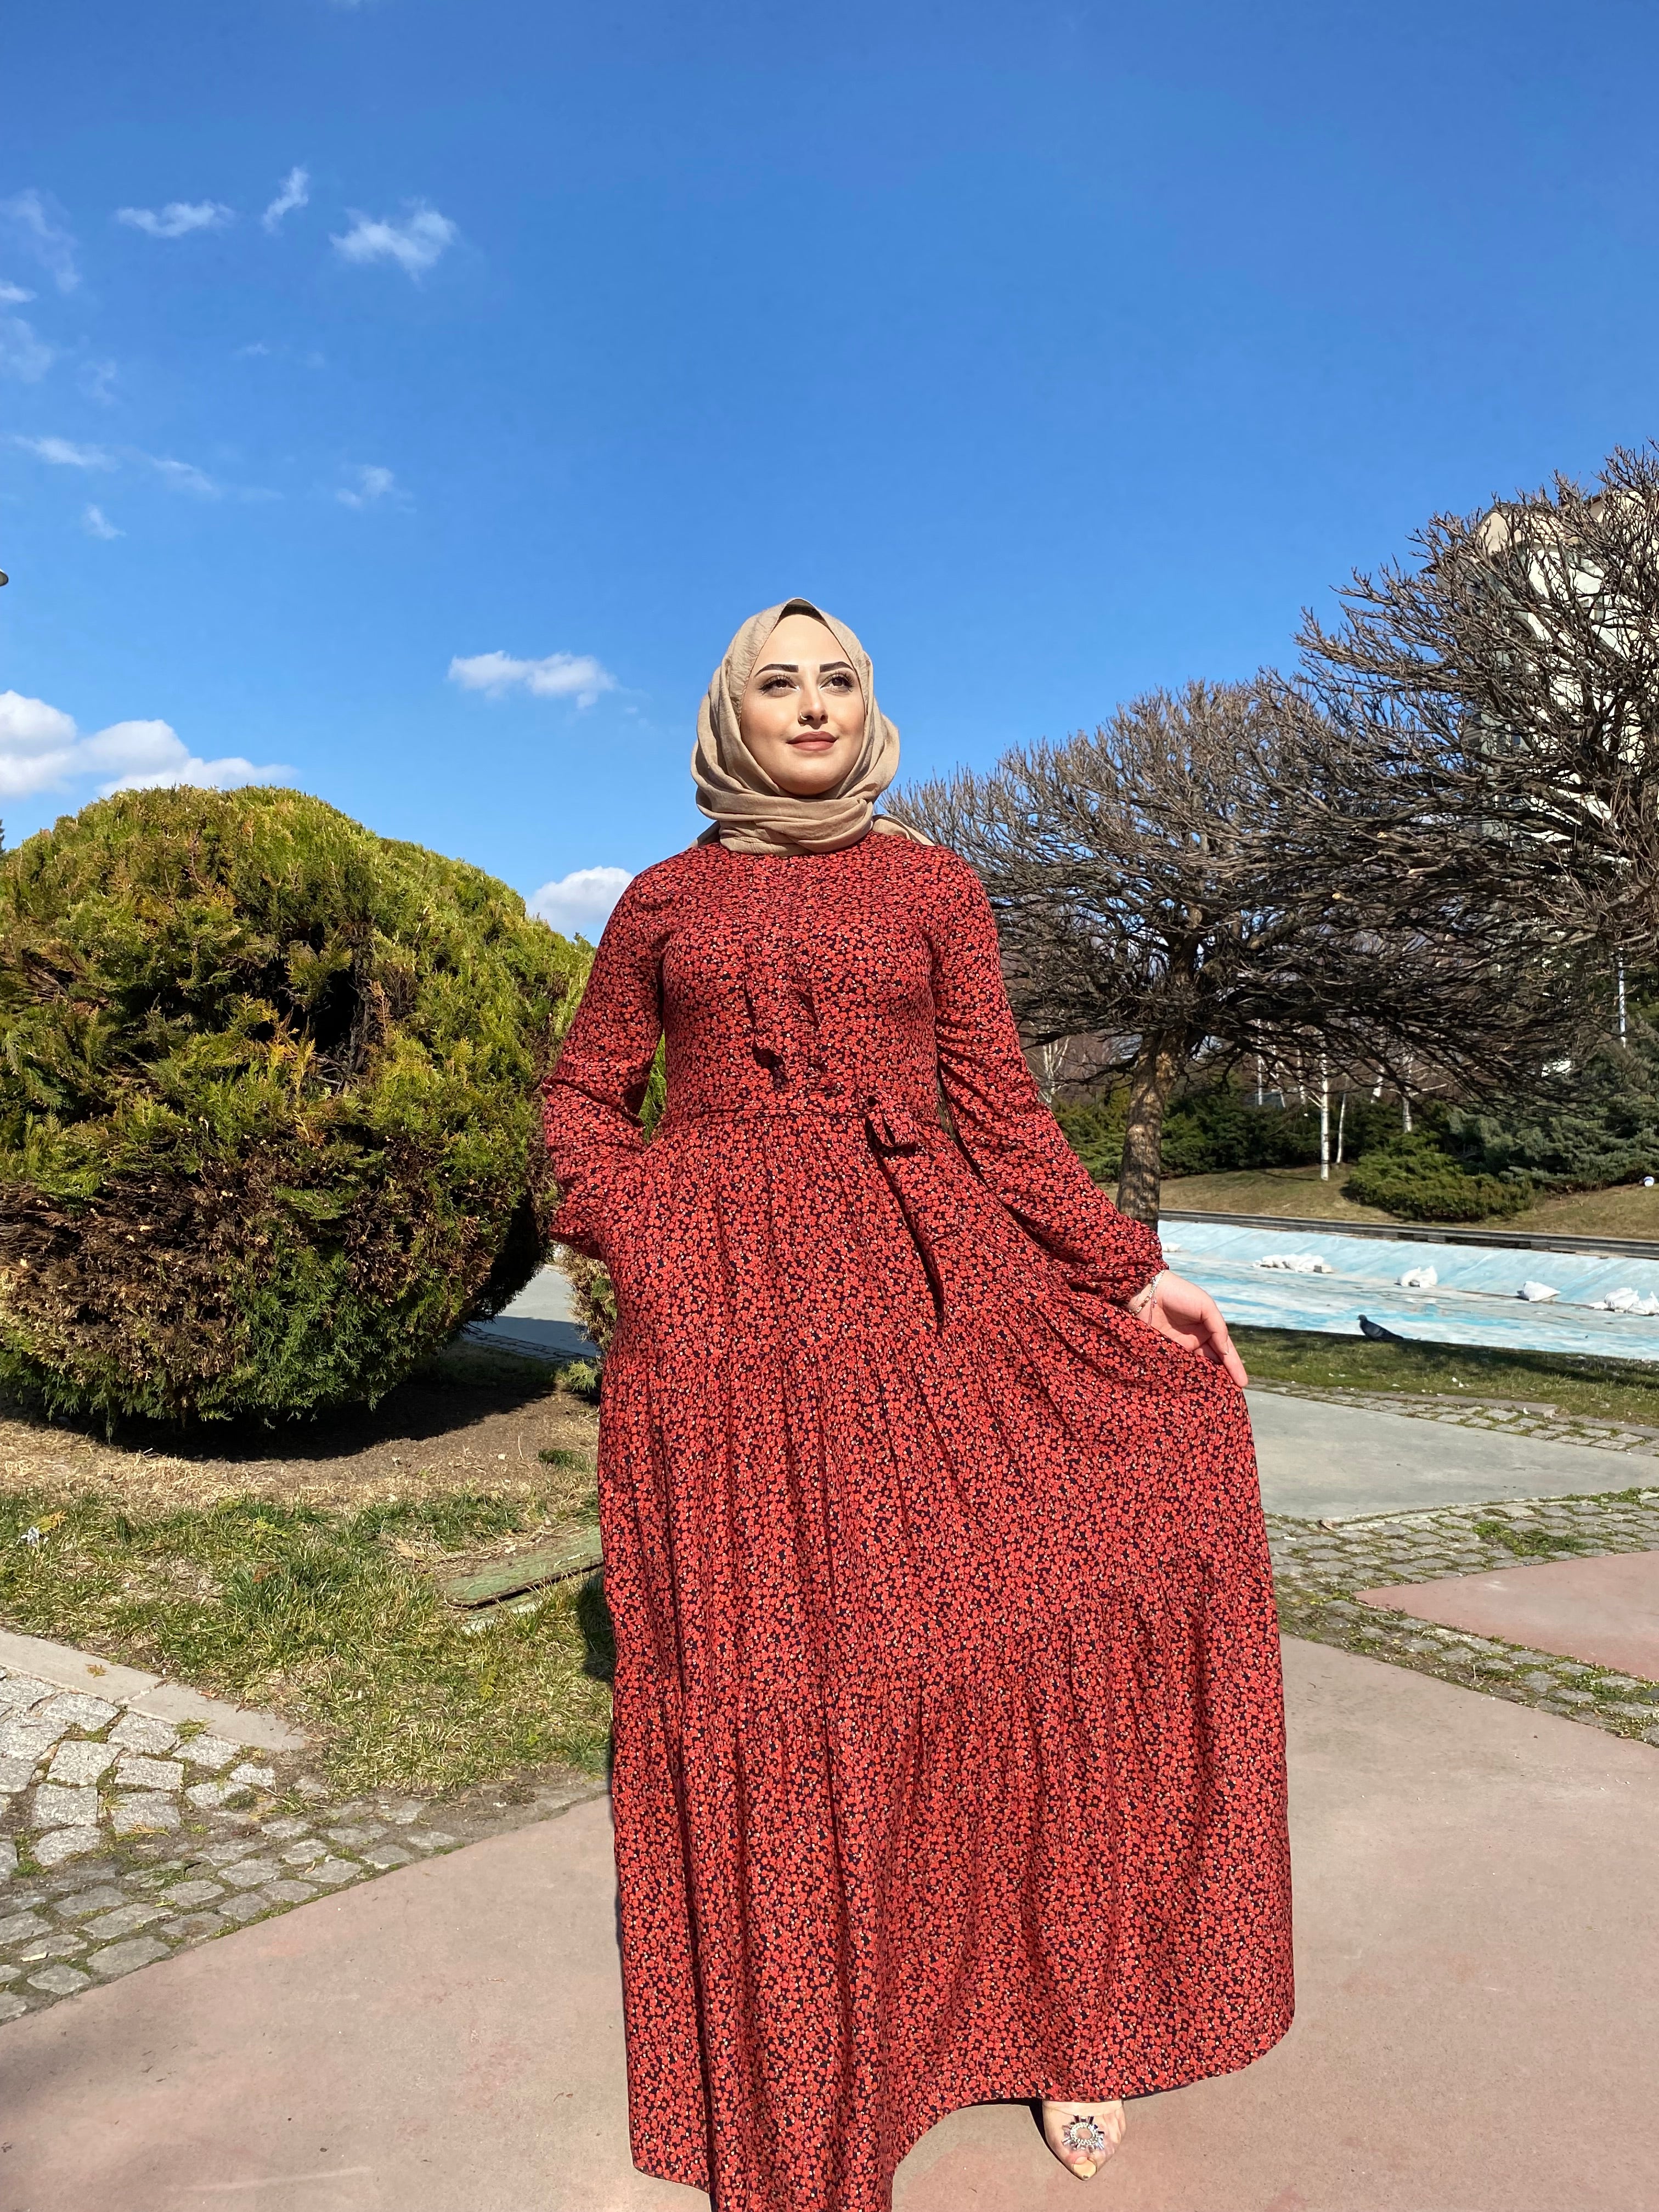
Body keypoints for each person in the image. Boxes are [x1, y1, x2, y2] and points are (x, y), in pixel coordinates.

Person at [540, 600, 1293, 2212]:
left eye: (839, 681)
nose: (812, 706)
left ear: (869, 707)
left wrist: (1131, 1270)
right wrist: (645, 1226)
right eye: (779, 683)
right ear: (732, 714)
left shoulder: (936, 884)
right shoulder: (664, 900)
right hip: (729, 1324)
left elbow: (1001, 1108)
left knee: (1027, 1629)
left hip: (927, 1284)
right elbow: (582, 1097)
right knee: (795, 1683)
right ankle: (832, 2059)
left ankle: (1072, 2011)